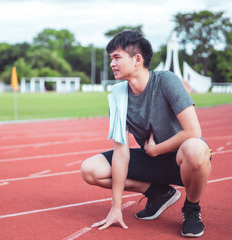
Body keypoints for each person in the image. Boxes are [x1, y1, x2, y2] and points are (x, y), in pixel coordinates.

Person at [80, 30, 212, 238]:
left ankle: (192, 209)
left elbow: (193, 131)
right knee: (90, 169)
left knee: (195, 148)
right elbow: (121, 153)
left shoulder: (166, 80)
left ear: (137, 59)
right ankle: (158, 192)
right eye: (110, 59)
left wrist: (155, 149)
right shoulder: (117, 97)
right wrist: (116, 207)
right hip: (153, 160)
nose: (112, 64)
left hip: (182, 158)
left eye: (116, 57)